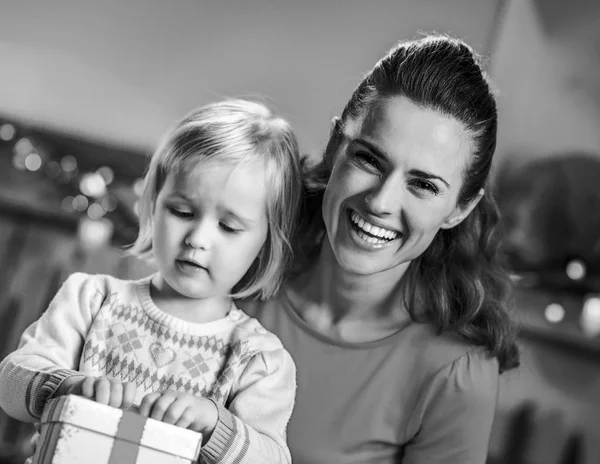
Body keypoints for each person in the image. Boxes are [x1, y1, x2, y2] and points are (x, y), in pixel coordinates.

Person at [239, 34, 520, 464]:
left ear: (460, 208)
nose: (381, 202)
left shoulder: (456, 373)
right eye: (369, 159)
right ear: (336, 147)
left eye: (423, 185)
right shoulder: (242, 263)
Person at [0, 99, 302, 464]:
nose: (198, 238)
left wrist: (215, 426)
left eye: (228, 226)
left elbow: (273, 459)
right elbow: (11, 383)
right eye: (182, 211)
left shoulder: (258, 360)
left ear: (264, 244)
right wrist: (67, 386)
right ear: (153, 205)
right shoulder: (91, 299)